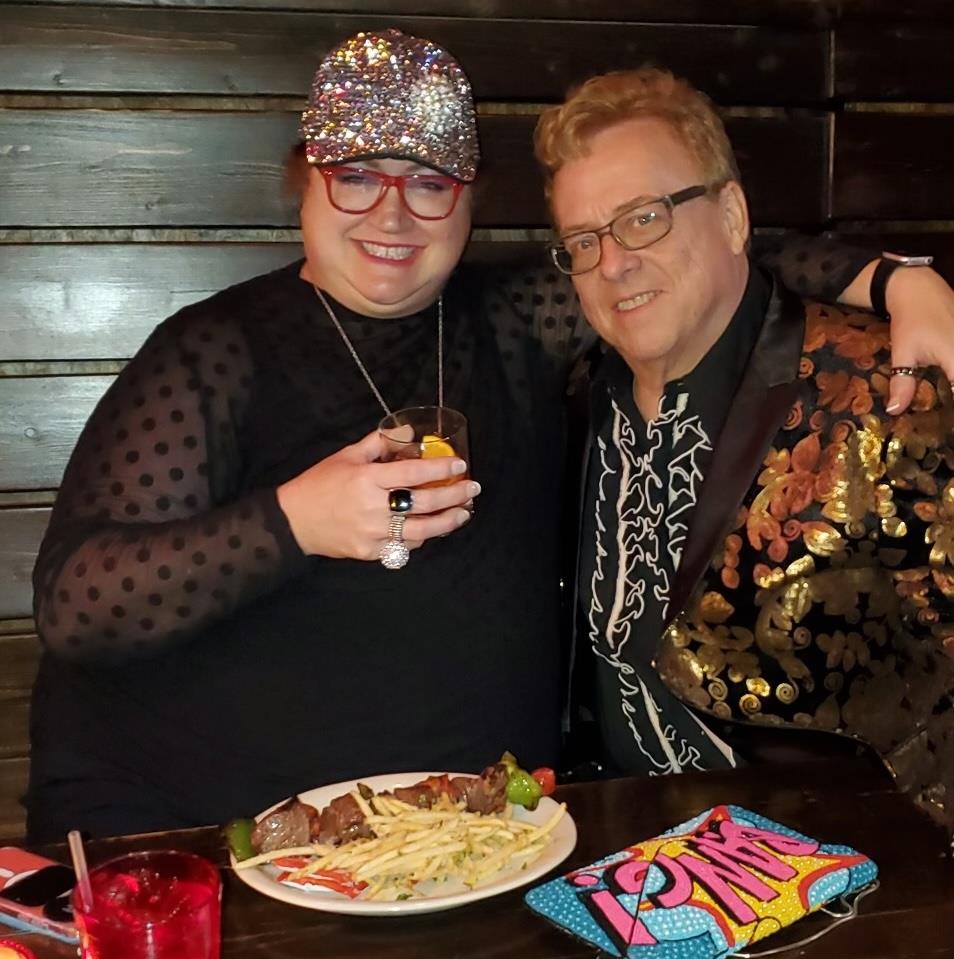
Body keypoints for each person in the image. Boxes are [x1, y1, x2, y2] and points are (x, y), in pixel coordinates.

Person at [26, 29, 954, 842]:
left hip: (489, 842)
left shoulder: (516, 315)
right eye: (357, 177)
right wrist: (292, 522)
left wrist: (894, 279)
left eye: (429, 183)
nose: (391, 214)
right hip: (239, 838)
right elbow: (75, 601)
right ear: (304, 184)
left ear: (466, 202)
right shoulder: (215, 351)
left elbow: (691, 252)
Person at [535, 67, 954, 826]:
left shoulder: (884, 390)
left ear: (731, 216)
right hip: (623, 858)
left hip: (856, 885)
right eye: (584, 239)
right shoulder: (576, 395)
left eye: (644, 218)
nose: (613, 261)